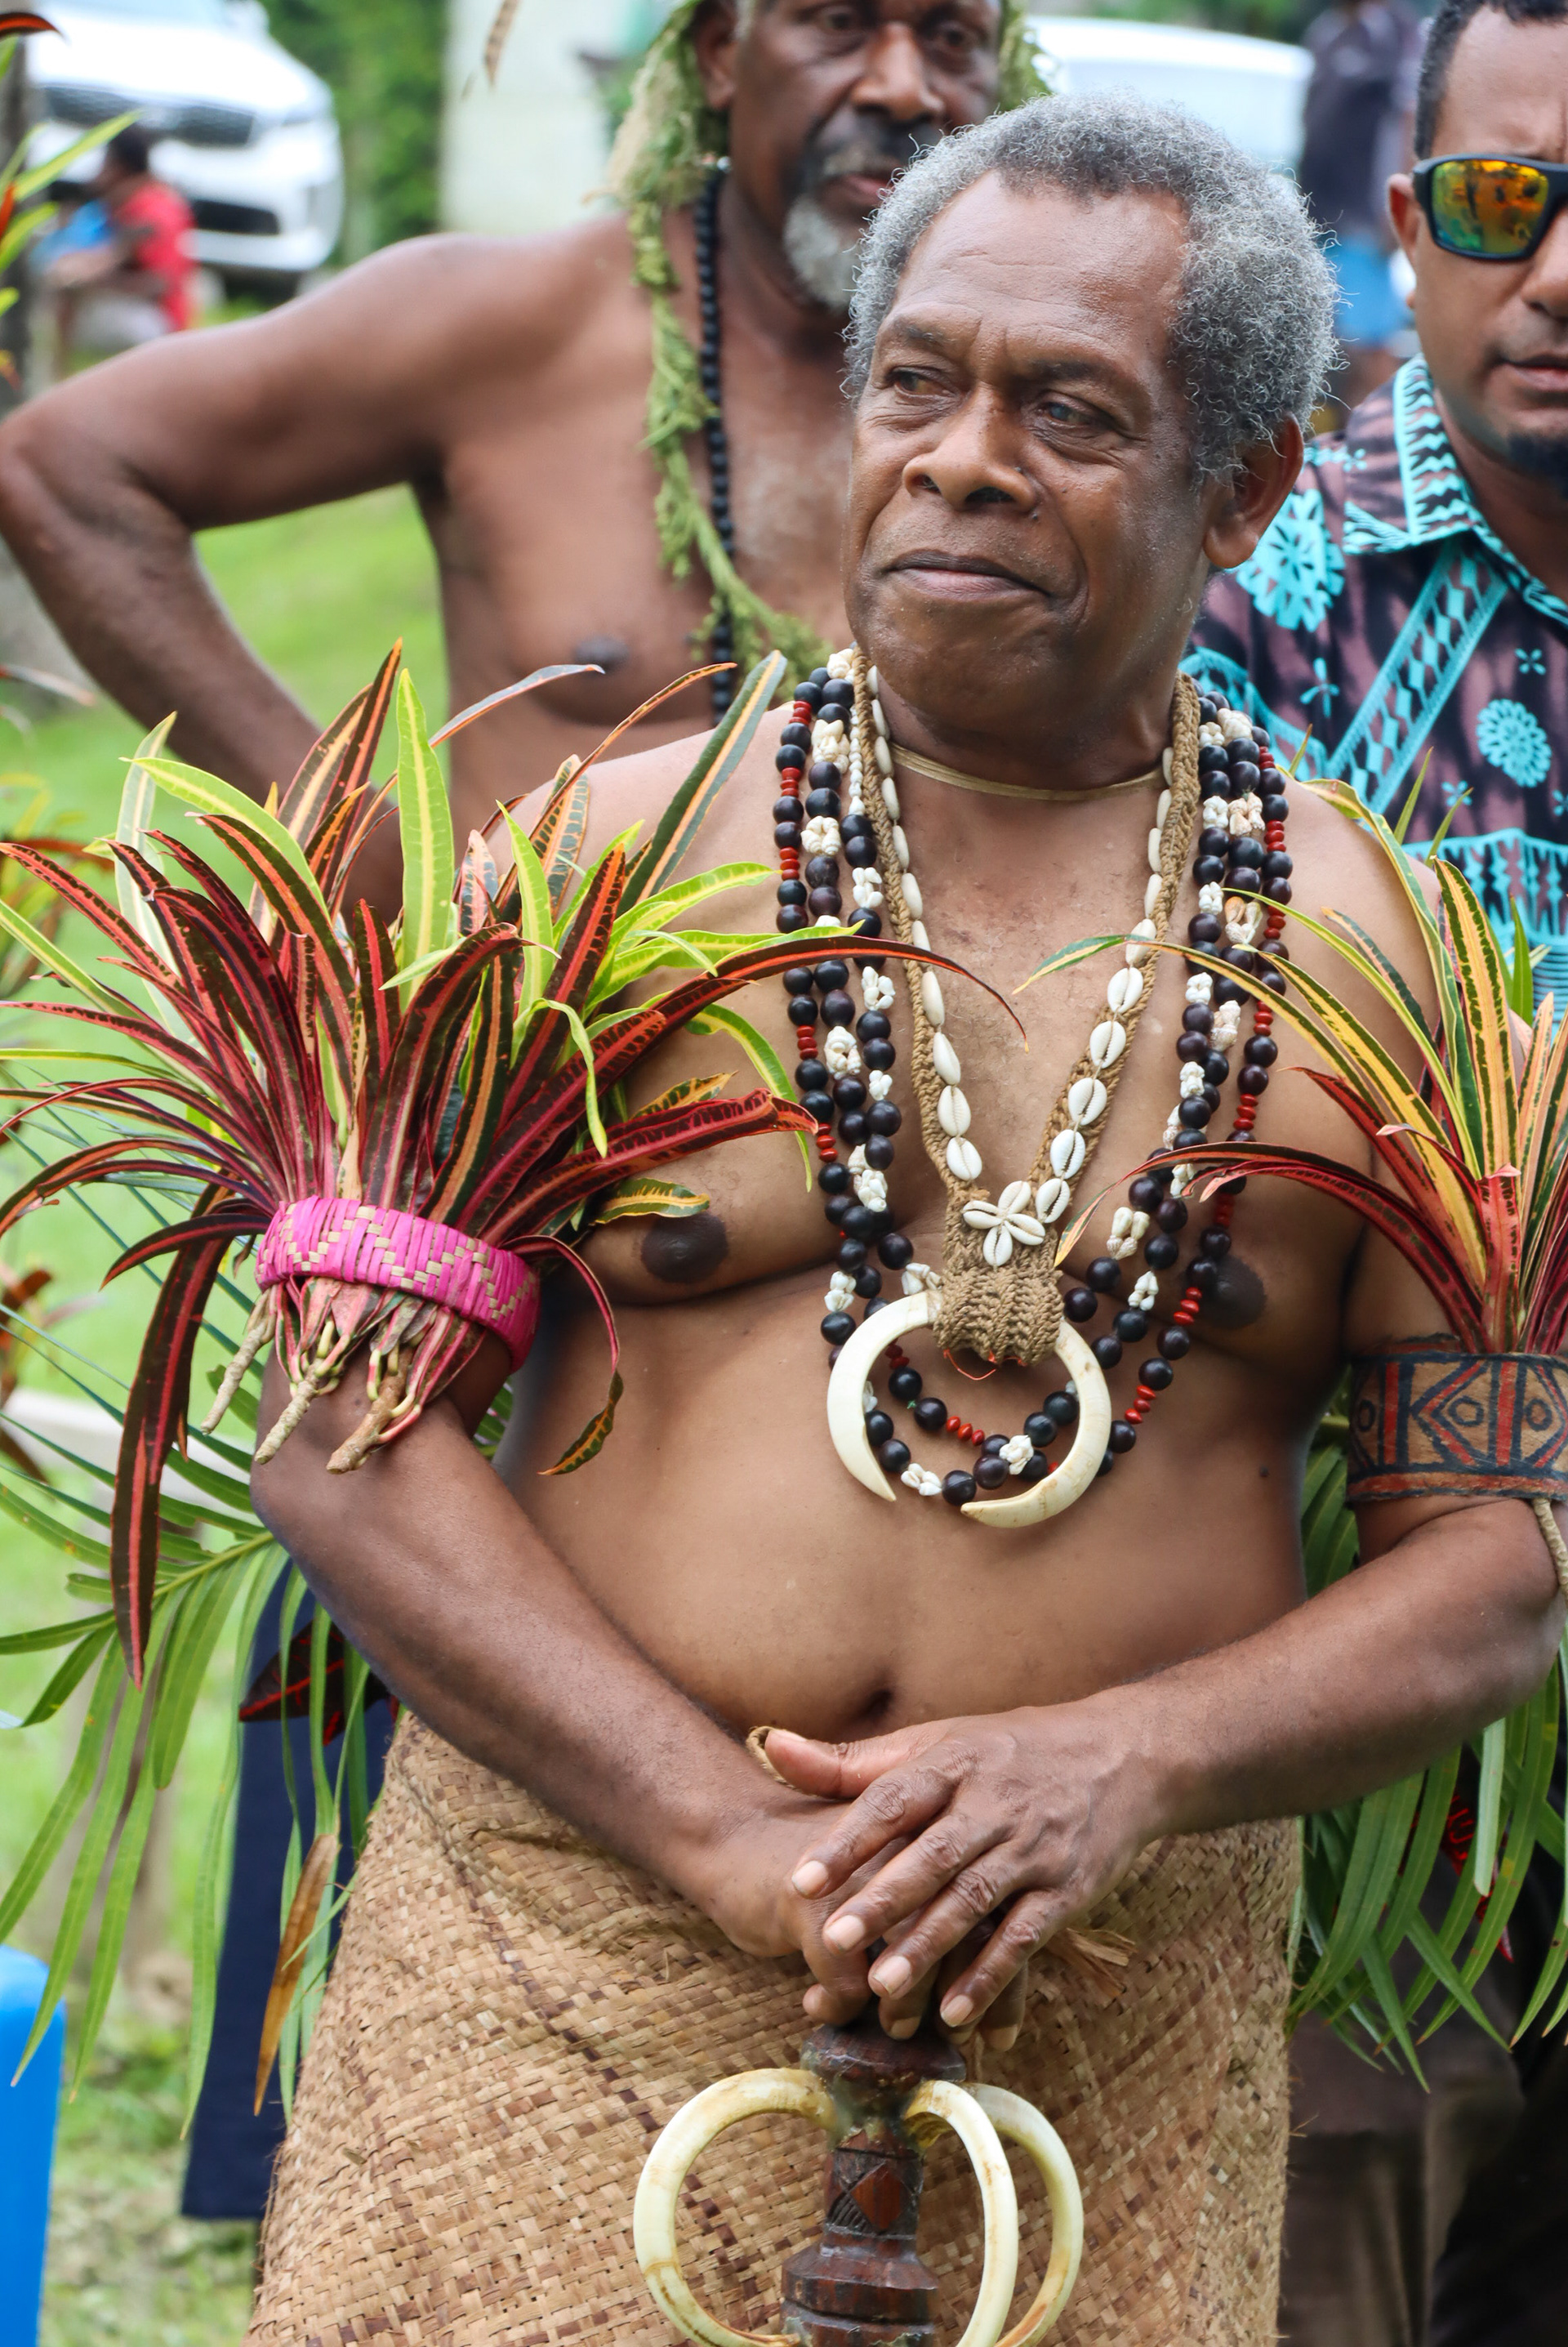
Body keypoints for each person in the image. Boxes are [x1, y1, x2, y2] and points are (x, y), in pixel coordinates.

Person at [237, 95, 1566, 2345]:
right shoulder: (597, 871)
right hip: (562, 1954)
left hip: (1111, 2014)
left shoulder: (1397, 972)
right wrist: (718, 1838)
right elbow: (334, 1435)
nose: (959, 457)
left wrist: (1117, 1766)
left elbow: (1505, 1560)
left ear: (1238, 490)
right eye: (914, 382)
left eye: (1069, 410)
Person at [0, 1, 1044, 912]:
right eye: (839, 21)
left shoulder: (1062, 403)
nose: (905, 85)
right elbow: (66, 466)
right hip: (540, 1099)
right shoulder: (512, 326)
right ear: (724, 49)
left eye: (954, 36)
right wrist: (358, 851)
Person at [1188, 0, 1568, 2333]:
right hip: (1362, 1678)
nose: (1562, 284)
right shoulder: (1251, 589)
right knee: (1339, 2240)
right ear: (1406, 227)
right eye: (1511, 209)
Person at [1297, 0, 1423, 416]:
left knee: (1367, 350)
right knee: (1321, 348)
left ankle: (1379, 448)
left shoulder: (1392, 31)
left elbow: (1407, 119)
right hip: (1318, 219)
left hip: (1364, 224)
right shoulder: (1327, 32)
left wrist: (1395, 213)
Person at [42, 126, 194, 376]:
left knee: (66, 295)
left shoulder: (148, 211)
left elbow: (160, 283)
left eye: (104, 165)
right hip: (158, 323)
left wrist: (91, 281)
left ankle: (59, 376)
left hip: (160, 328)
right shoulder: (151, 200)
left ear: (118, 168)